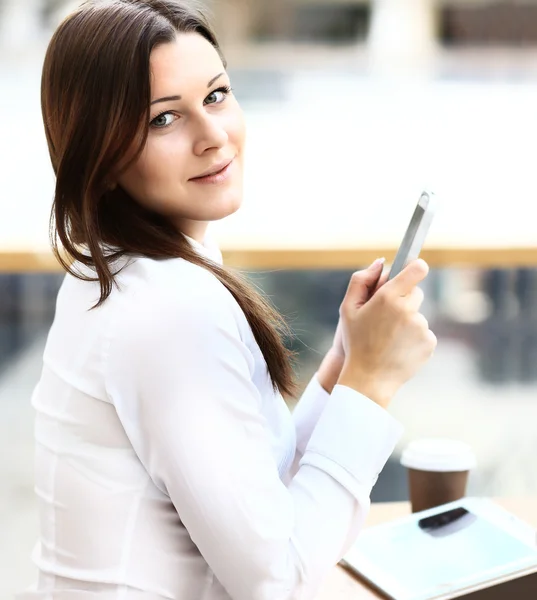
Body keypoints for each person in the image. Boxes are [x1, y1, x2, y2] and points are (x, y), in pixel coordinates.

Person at [20, 1, 436, 599]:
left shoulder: (121, 270)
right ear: (102, 153)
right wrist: (373, 383)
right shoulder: (168, 308)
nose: (214, 137)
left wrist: (346, 364)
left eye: (216, 95)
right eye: (164, 119)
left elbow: (257, 495)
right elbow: (274, 578)